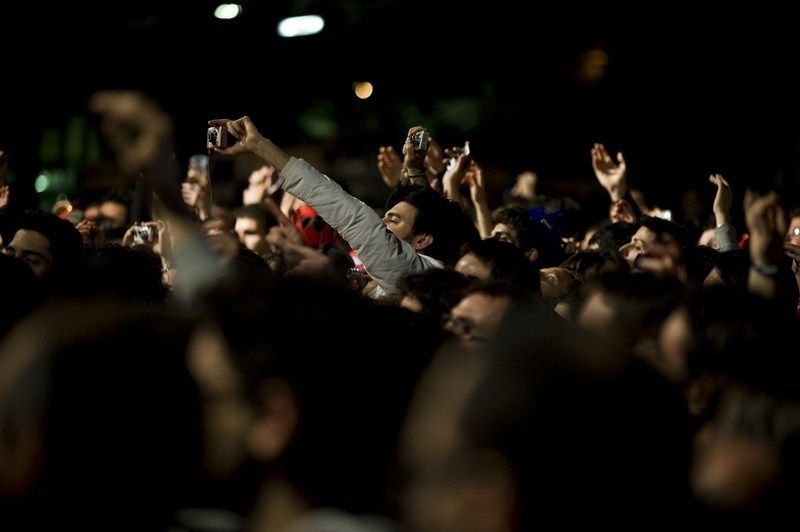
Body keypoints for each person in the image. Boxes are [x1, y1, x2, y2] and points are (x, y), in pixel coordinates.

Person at [208, 117, 475, 298]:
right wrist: (415, 171)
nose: (381, 225)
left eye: (393, 220)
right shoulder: (398, 277)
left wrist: (260, 146)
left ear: (422, 239)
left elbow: (353, 216)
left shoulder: (416, 274)